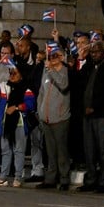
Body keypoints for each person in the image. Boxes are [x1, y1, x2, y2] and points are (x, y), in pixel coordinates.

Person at [77, 41, 104, 193]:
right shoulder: (88, 66)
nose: (94, 54)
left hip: (102, 114)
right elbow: (78, 82)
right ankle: (91, 180)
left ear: (103, 52)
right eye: (92, 52)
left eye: (97, 52)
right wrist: (81, 59)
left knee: (103, 149)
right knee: (89, 149)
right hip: (86, 115)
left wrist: (94, 107)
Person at [0, 62, 35, 187]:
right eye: (11, 73)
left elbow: (30, 105)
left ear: (21, 75)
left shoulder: (26, 89)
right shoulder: (4, 86)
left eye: (15, 73)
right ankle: (3, 177)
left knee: (19, 151)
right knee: (5, 151)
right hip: (5, 124)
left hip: (19, 123)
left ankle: (17, 177)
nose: (12, 75)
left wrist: (17, 107)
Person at [36, 33, 71, 190]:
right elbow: (41, 93)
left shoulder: (64, 71)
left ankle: (64, 179)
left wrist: (52, 70)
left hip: (60, 118)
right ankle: (50, 178)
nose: (52, 58)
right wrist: (40, 111)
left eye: (55, 55)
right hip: (46, 118)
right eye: (50, 55)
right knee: (50, 151)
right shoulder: (47, 71)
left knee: (61, 151)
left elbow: (63, 85)